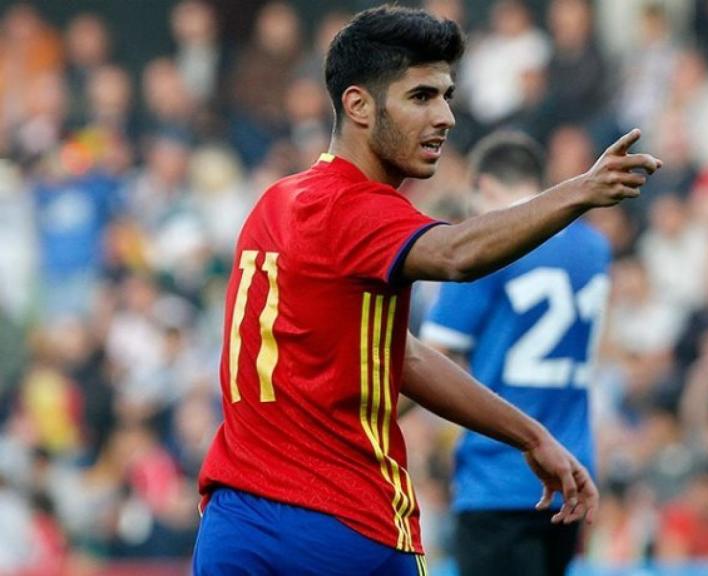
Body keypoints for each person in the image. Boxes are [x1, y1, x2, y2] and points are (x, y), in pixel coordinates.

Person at [191, 6, 661, 575]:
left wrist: (530, 435)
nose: (445, 117)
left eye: (447, 96)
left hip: (234, 526)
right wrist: (579, 192)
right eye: (421, 97)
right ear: (358, 105)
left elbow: (401, 355)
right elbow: (458, 255)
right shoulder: (358, 209)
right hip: (345, 526)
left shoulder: (277, 202)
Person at [420, 130, 611, 576]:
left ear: (484, 187)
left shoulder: (487, 250)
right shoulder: (593, 248)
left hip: (497, 477)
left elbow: (429, 361)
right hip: (572, 469)